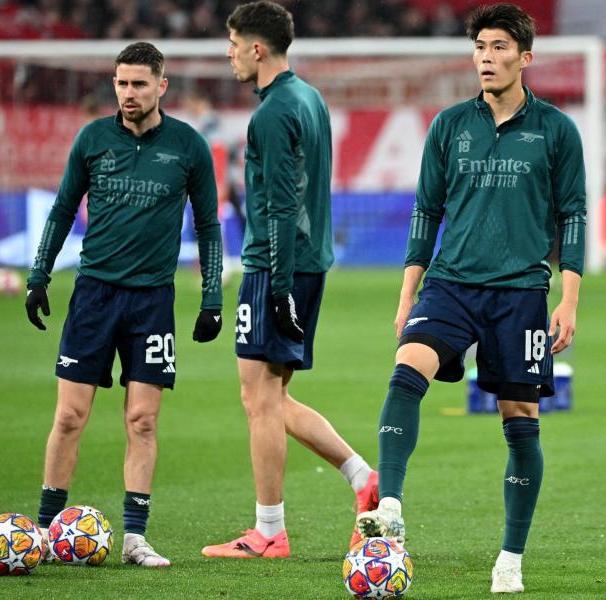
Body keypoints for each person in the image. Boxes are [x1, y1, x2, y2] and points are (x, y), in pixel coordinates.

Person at [353, 4, 585, 594]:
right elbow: (426, 212)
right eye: (480, 45)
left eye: (500, 46)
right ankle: (393, 505)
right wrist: (408, 295)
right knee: (408, 369)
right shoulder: (449, 125)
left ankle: (511, 556)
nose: (487, 56)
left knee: (520, 423)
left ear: (525, 57)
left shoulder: (556, 130)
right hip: (451, 285)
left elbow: (573, 215)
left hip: (521, 293)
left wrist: (569, 297)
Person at [24, 42, 224, 567]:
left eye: (139, 83)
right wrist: (38, 276)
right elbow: (63, 208)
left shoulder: (188, 146)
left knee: (142, 421)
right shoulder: (92, 139)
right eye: (121, 83)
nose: (128, 93)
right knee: (69, 416)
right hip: (93, 295)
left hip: (153, 303)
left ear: (162, 86)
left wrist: (212, 298)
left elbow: (208, 226)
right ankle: (45, 532)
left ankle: (134, 537)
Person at [200, 0, 378, 559]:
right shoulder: (310, 98)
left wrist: (275, 288)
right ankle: (362, 479)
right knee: (270, 397)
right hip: (307, 262)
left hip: (277, 266)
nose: (228, 54)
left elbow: (277, 206)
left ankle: (270, 531)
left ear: (257, 48)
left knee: (258, 400)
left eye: (233, 43)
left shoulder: (273, 112)